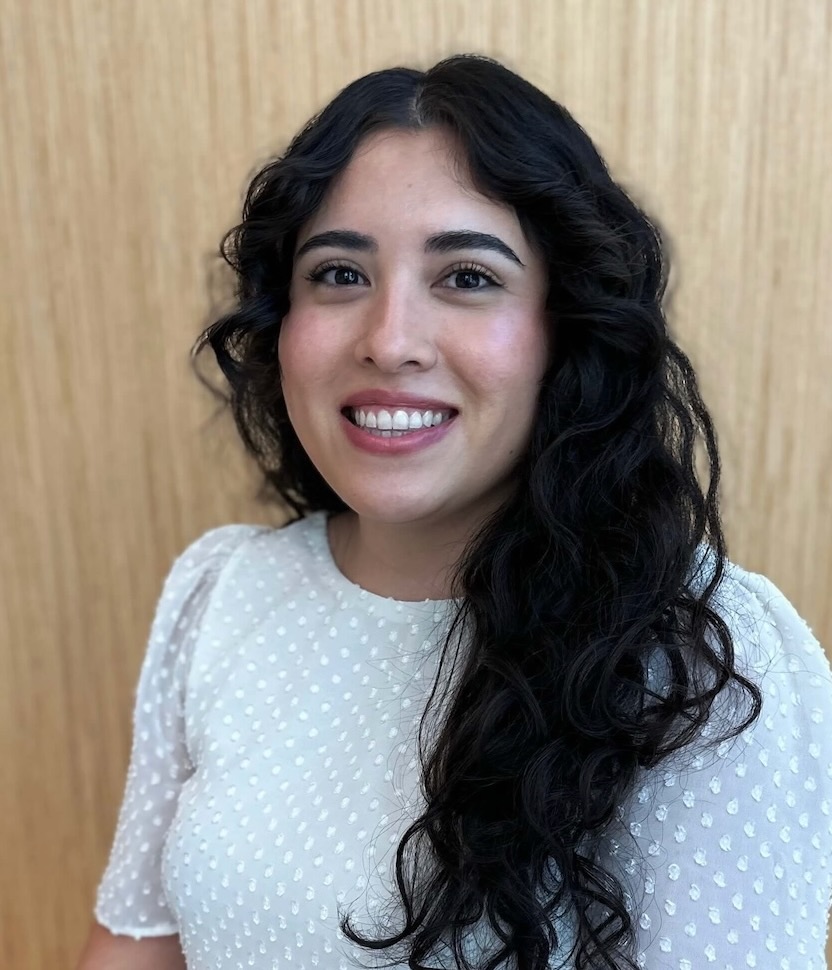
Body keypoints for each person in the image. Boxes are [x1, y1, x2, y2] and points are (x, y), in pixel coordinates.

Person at [76, 54, 832, 970]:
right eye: (339, 275)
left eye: (468, 277)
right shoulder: (222, 590)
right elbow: (138, 945)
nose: (390, 340)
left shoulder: (700, 658)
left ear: (566, 329)